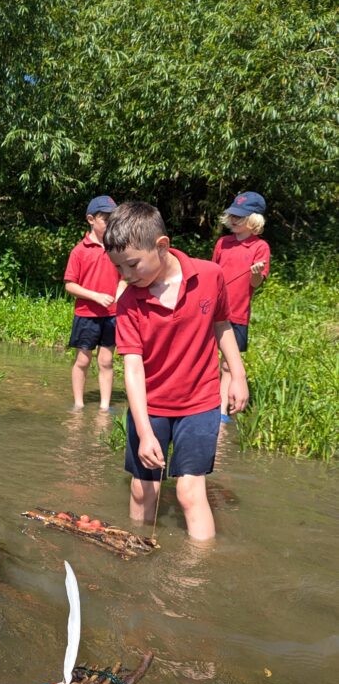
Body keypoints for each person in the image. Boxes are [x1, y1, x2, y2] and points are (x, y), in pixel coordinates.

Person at [103, 201, 248, 541]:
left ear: (162, 246)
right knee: (143, 490)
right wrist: (144, 432)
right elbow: (133, 369)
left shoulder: (209, 276)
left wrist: (238, 374)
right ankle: (134, 552)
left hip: (199, 403)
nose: (126, 275)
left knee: (189, 492)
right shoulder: (128, 304)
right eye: (118, 268)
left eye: (133, 264)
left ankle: (198, 577)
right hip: (149, 408)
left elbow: (221, 324)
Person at [212, 191, 270, 422]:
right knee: (205, 358)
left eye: (241, 216)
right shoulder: (222, 243)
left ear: (254, 219)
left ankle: (222, 410)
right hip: (213, 309)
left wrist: (255, 274)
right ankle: (202, 402)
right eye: (233, 214)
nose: (234, 219)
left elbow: (257, 283)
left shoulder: (260, 247)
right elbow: (212, 273)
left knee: (228, 363)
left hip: (237, 313)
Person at [63, 195, 124, 410]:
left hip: (112, 315)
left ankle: (105, 407)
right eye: (105, 219)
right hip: (86, 315)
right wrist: (96, 296)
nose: (110, 225)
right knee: (83, 361)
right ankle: (79, 405)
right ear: (91, 219)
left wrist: (120, 293)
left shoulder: (117, 249)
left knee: (106, 362)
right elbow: (70, 285)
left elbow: (124, 278)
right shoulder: (79, 251)